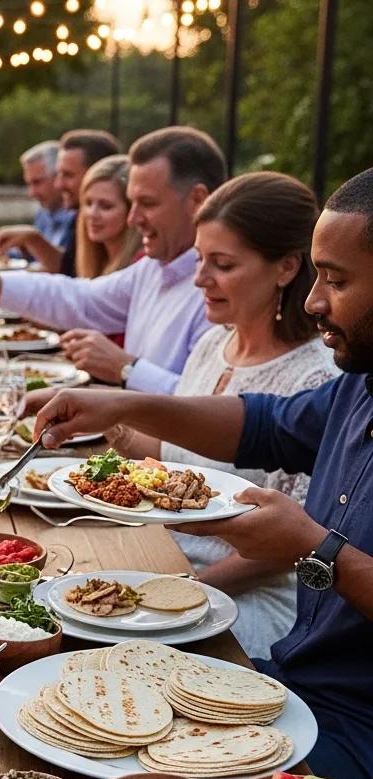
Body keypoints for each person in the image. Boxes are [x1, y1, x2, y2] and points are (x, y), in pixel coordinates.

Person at [23, 166, 373, 779]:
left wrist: (318, 551)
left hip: (355, 735)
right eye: (319, 275)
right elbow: (263, 424)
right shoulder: (359, 383)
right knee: (58, 701)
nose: (316, 300)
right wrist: (121, 403)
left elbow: (308, 547)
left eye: (338, 280)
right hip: (290, 682)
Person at [104, 172, 337, 658]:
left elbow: (285, 550)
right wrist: (105, 421)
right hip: (167, 561)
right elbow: (177, 463)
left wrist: (175, 594)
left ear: (286, 268)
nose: (199, 279)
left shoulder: (315, 379)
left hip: (243, 597)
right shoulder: (214, 343)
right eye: (200, 260)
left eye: (222, 264)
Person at [0, 126, 226, 393]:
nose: (133, 218)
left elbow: (210, 408)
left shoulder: (219, 290)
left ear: (198, 200)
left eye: (147, 203)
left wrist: (126, 369)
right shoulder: (152, 269)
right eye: (132, 203)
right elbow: (78, 298)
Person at [0, 129, 121, 275]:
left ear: (97, 175)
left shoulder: (103, 225)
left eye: (68, 175)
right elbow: (70, 271)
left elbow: (71, 280)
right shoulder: (80, 218)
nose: (58, 184)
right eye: (58, 174)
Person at [74, 155, 142, 280]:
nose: (92, 214)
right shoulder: (97, 261)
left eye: (106, 206)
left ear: (131, 211)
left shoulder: (140, 267)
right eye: (88, 203)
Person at [22, 141, 75, 250]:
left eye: (37, 182)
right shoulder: (43, 214)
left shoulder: (80, 217)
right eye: (29, 184)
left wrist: (34, 240)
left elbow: (67, 264)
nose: (32, 193)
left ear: (58, 176)